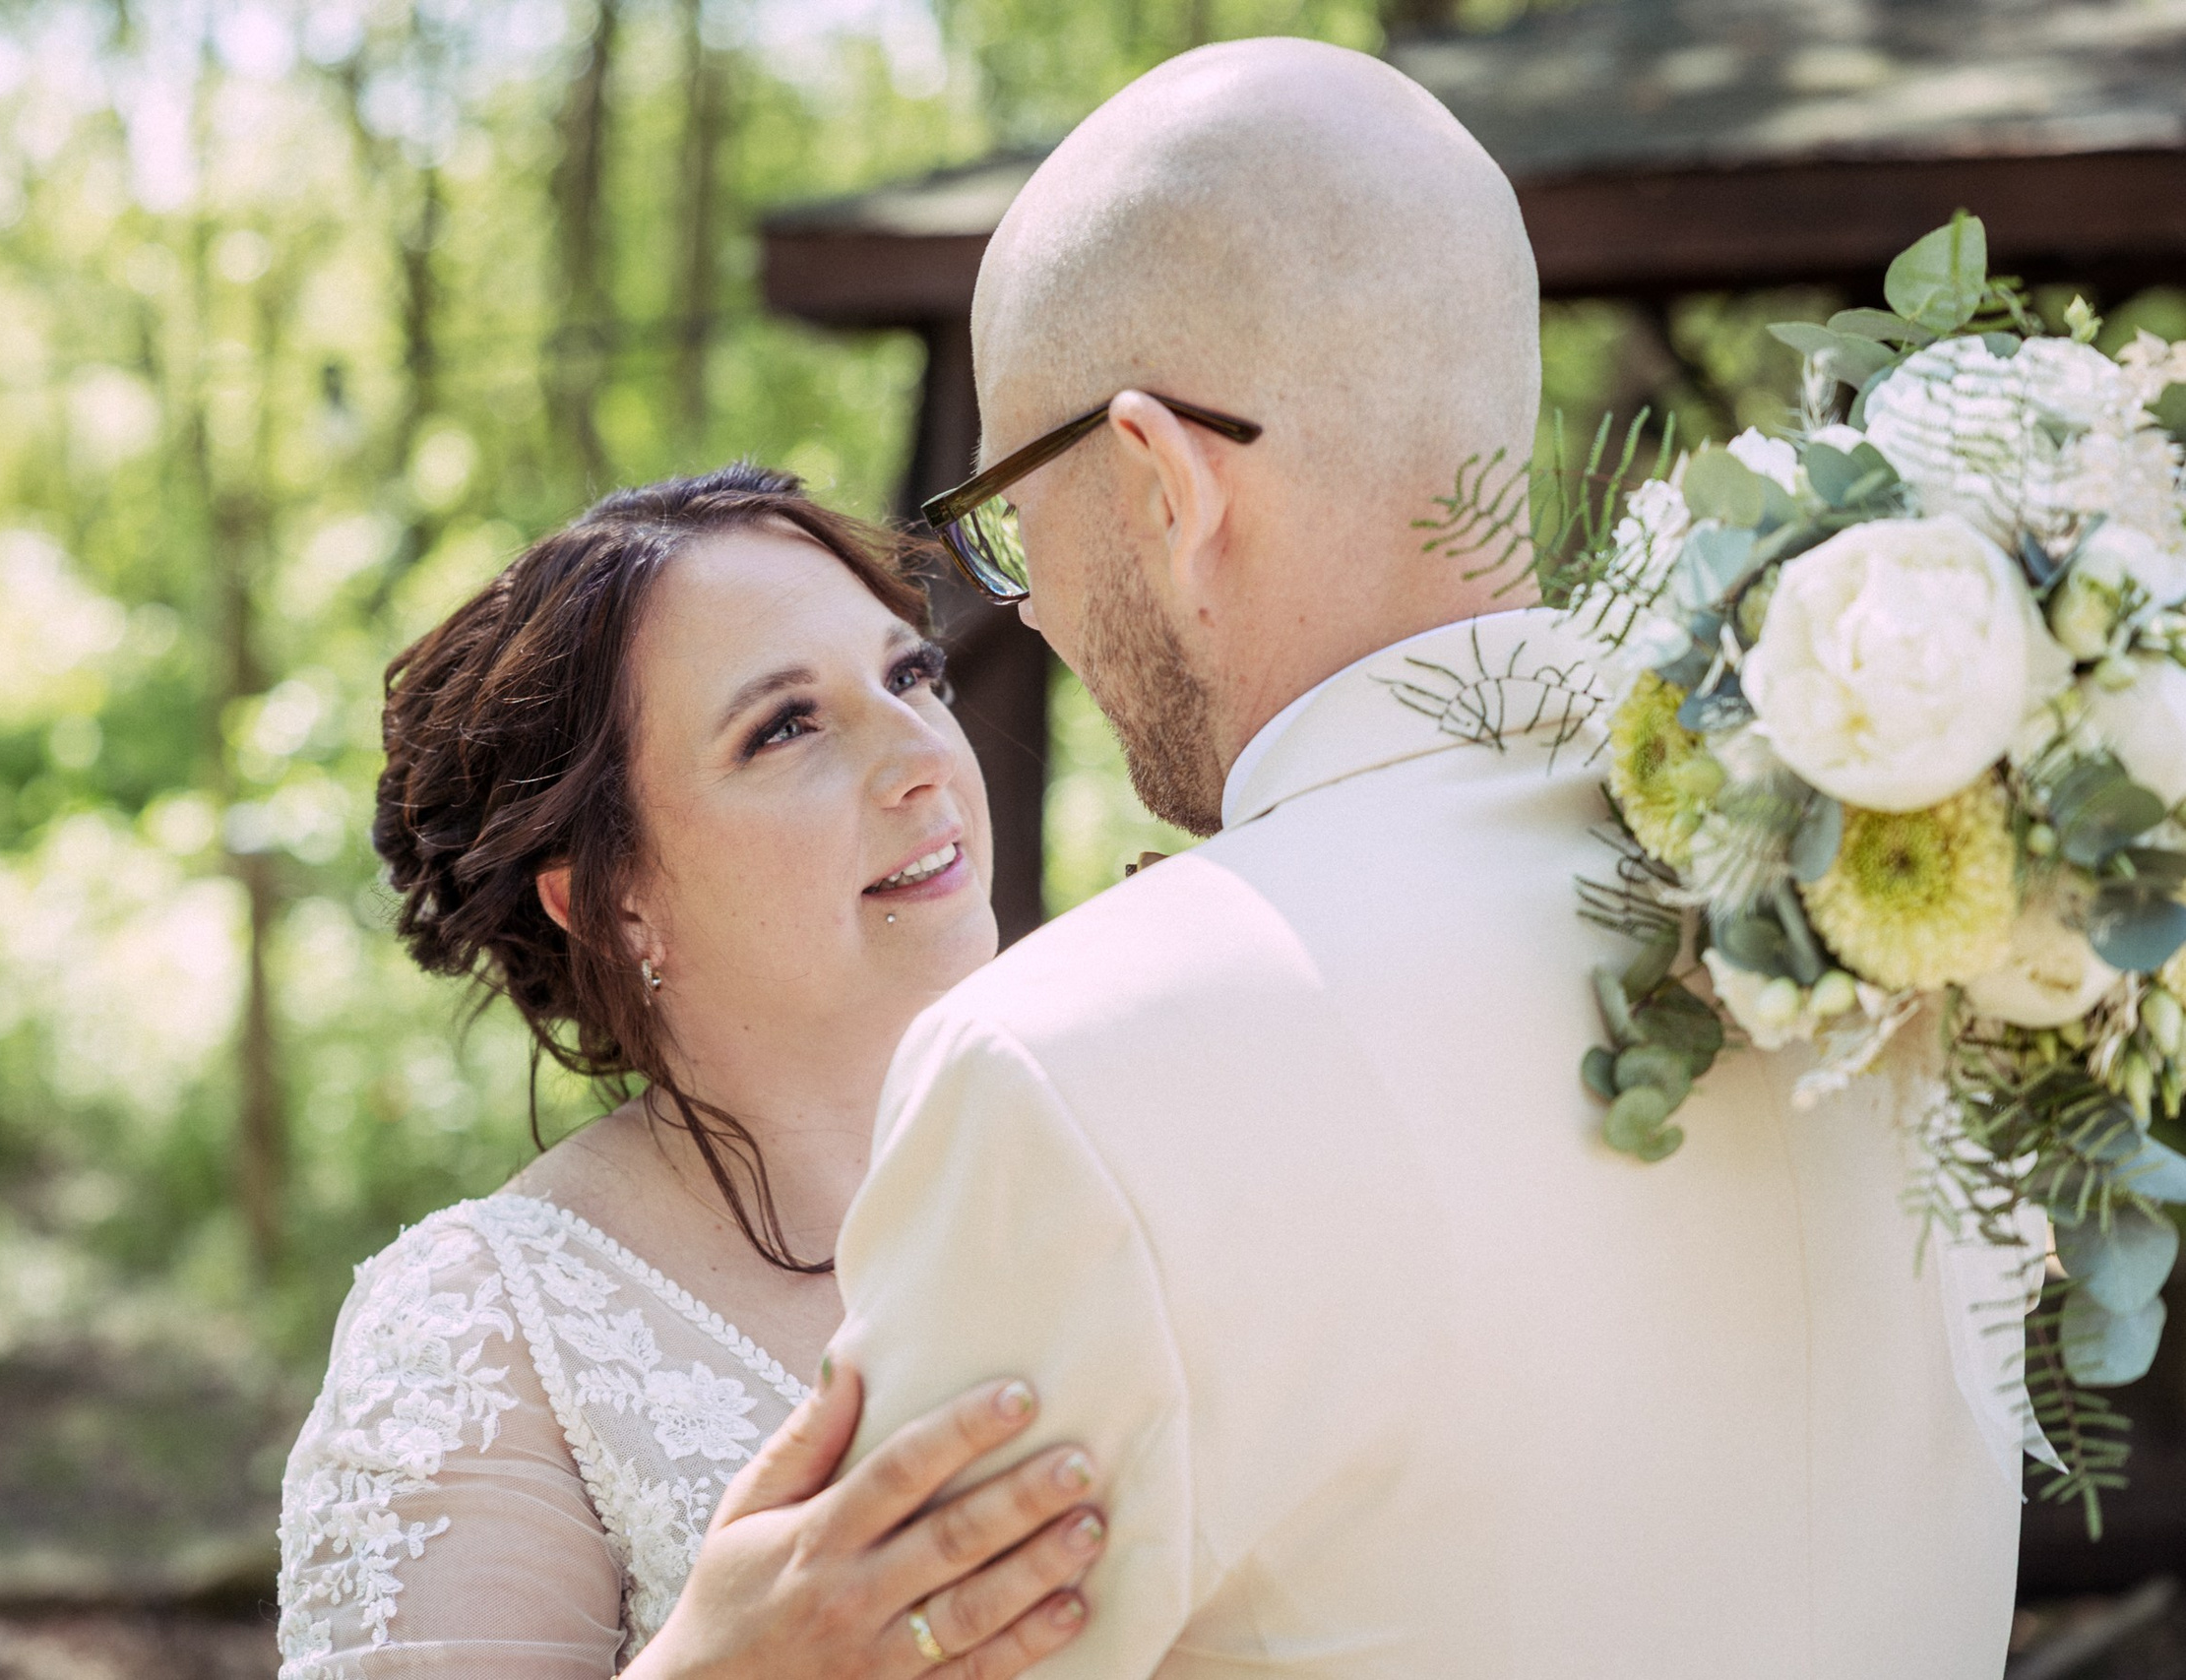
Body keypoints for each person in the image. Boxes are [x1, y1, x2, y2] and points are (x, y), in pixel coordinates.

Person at [830, 38, 2021, 1680]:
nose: (1022, 598)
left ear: (1165, 479)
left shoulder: (1067, 1067)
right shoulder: (1906, 911)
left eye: (1011, 511)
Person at [276, 467, 1106, 1679]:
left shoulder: (1124, 1145)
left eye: (908, 674)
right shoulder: (487, 1333)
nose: (921, 756)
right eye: (785, 726)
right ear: (613, 901)